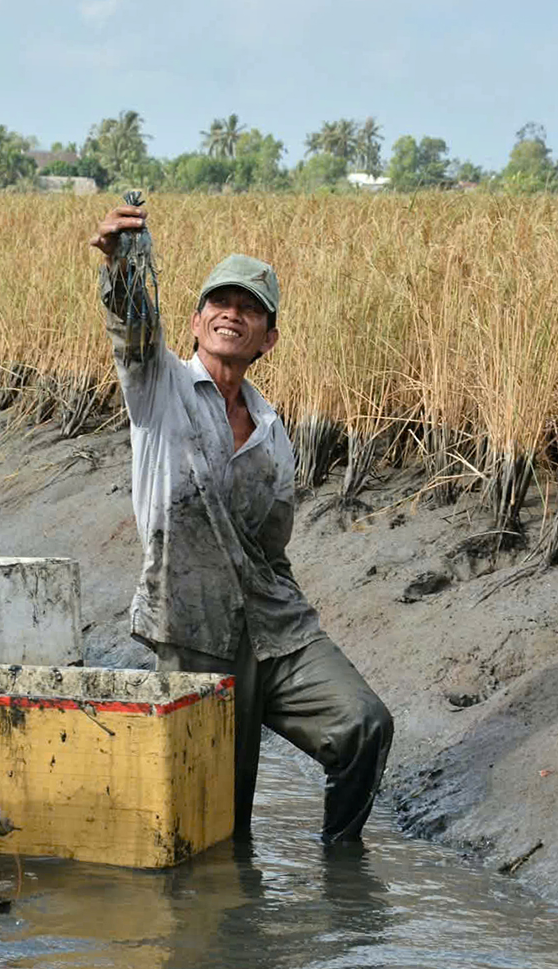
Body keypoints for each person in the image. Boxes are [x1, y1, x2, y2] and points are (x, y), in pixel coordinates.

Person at [91, 201, 393, 843]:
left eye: (249, 307)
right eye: (219, 302)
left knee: (365, 723)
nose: (232, 312)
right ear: (197, 323)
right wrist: (123, 267)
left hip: (273, 627)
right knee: (220, 826)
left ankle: (341, 870)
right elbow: (132, 330)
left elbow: (271, 548)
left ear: (268, 338)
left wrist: (283, 617)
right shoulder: (159, 388)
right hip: (193, 629)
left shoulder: (275, 433)